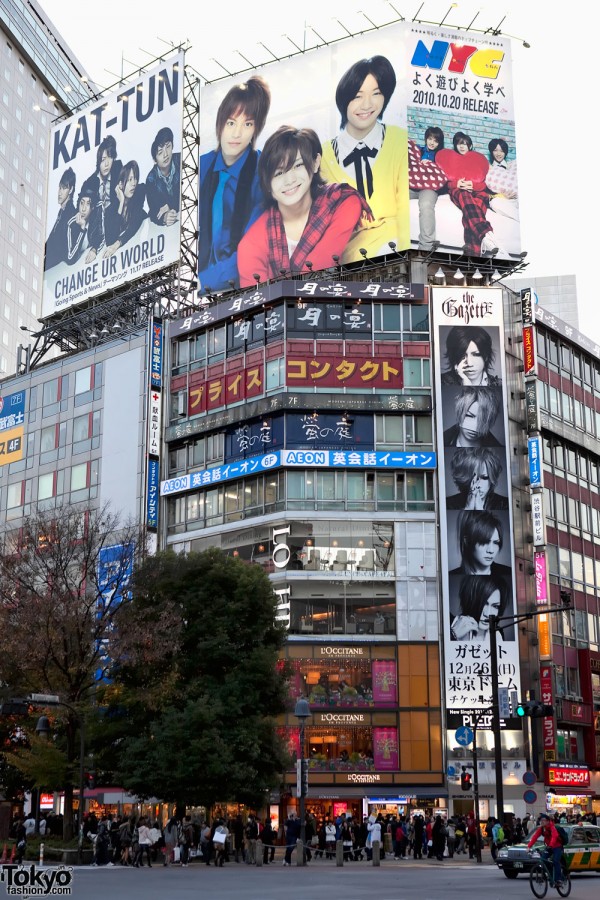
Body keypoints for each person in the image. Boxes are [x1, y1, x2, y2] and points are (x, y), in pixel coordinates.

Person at [238, 125, 370, 286]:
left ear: (315, 163)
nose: (289, 180)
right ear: (266, 183)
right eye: (279, 173)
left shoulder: (342, 202)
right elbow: (257, 302)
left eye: (297, 165)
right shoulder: (250, 245)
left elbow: (319, 264)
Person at [320, 54, 409, 262]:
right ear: (344, 100)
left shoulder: (399, 140)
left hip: (394, 245)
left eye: (376, 93)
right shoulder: (322, 155)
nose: (367, 104)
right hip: (347, 259)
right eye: (358, 96)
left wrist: (408, 256)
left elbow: (405, 207)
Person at [198, 75, 271, 292]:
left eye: (247, 124)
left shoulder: (263, 171)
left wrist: (204, 282)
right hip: (196, 290)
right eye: (231, 122)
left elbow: (252, 247)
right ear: (220, 123)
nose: (237, 133)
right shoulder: (199, 166)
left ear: (256, 129)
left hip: (244, 287)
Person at [436, 130, 508, 257]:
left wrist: (473, 185)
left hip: (478, 191)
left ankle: (472, 253)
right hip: (459, 191)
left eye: (465, 143)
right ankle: (487, 235)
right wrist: (456, 184)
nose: (462, 146)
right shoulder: (449, 158)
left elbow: (485, 184)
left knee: (476, 207)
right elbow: (446, 182)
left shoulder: (478, 159)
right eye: (459, 143)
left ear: (470, 145)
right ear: (455, 145)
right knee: (465, 197)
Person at [81, 135, 122, 261]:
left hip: (117, 226)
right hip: (97, 233)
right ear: (98, 160)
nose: (107, 163)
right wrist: (94, 247)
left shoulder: (118, 170)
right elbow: (88, 214)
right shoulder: (89, 183)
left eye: (110, 158)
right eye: (103, 159)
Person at [408, 126, 447, 249]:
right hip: (413, 185)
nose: (432, 142)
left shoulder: (441, 156)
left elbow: (444, 176)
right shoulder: (417, 150)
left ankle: (426, 247)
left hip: (429, 188)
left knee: (425, 205)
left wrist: (431, 166)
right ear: (426, 139)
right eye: (430, 139)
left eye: (436, 141)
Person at [450, 510, 511, 580]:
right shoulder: (452, 575)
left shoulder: (508, 571)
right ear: (467, 541)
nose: (491, 550)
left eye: (496, 543)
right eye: (484, 542)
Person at [104, 161, 147, 256]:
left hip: (142, 246)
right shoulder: (110, 210)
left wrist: (118, 243)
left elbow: (135, 223)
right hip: (125, 254)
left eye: (135, 178)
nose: (134, 184)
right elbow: (110, 240)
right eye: (129, 180)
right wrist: (121, 203)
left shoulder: (140, 192)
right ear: (120, 185)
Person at [450, 574, 509, 642]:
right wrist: (452, 635)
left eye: (495, 606)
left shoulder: (497, 634)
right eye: (484, 604)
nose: (487, 614)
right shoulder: (448, 625)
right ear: (470, 600)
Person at [146, 126, 181, 227]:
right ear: (155, 159)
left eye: (168, 146)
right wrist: (165, 217)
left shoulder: (182, 160)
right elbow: (153, 211)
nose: (165, 155)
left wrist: (170, 205)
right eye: (160, 152)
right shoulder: (151, 179)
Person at [45, 167, 77, 269]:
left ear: (71, 189)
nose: (60, 192)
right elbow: (52, 237)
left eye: (64, 188)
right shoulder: (62, 211)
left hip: (57, 267)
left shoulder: (70, 212)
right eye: (59, 187)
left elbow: (61, 246)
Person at [486, 138, 519, 221]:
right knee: (494, 203)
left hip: (517, 198)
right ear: (491, 152)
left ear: (505, 152)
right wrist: (502, 196)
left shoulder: (512, 166)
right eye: (495, 150)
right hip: (505, 201)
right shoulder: (489, 170)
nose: (499, 154)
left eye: (502, 151)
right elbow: (486, 193)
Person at [527, 814, 564, 886]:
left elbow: (554, 836)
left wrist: (551, 845)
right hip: (549, 847)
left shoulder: (552, 827)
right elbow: (535, 837)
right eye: (541, 820)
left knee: (556, 861)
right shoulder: (541, 829)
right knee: (543, 860)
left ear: (548, 821)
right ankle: (551, 875)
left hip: (557, 846)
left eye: (544, 820)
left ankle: (559, 879)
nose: (542, 822)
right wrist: (529, 847)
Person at [67, 187, 95, 264]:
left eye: (88, 204)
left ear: (92, 207)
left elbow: (100, 239)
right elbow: (70, 258)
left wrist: (94, 249)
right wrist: (82, 229)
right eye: (82, 203)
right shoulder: (71, 224)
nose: (83, 209)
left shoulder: (94, 220)